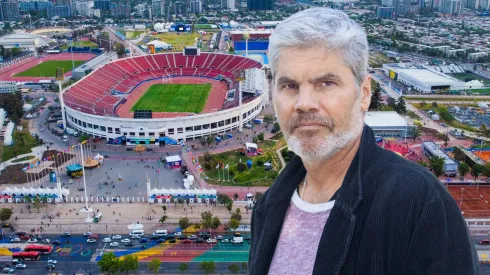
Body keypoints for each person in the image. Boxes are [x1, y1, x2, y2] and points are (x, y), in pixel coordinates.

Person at [248, 8, 480, 275]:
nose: (305, 104)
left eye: (326, 83)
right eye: (289, 86)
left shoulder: (420, 205)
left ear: (364, 94)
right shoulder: (269, 207)